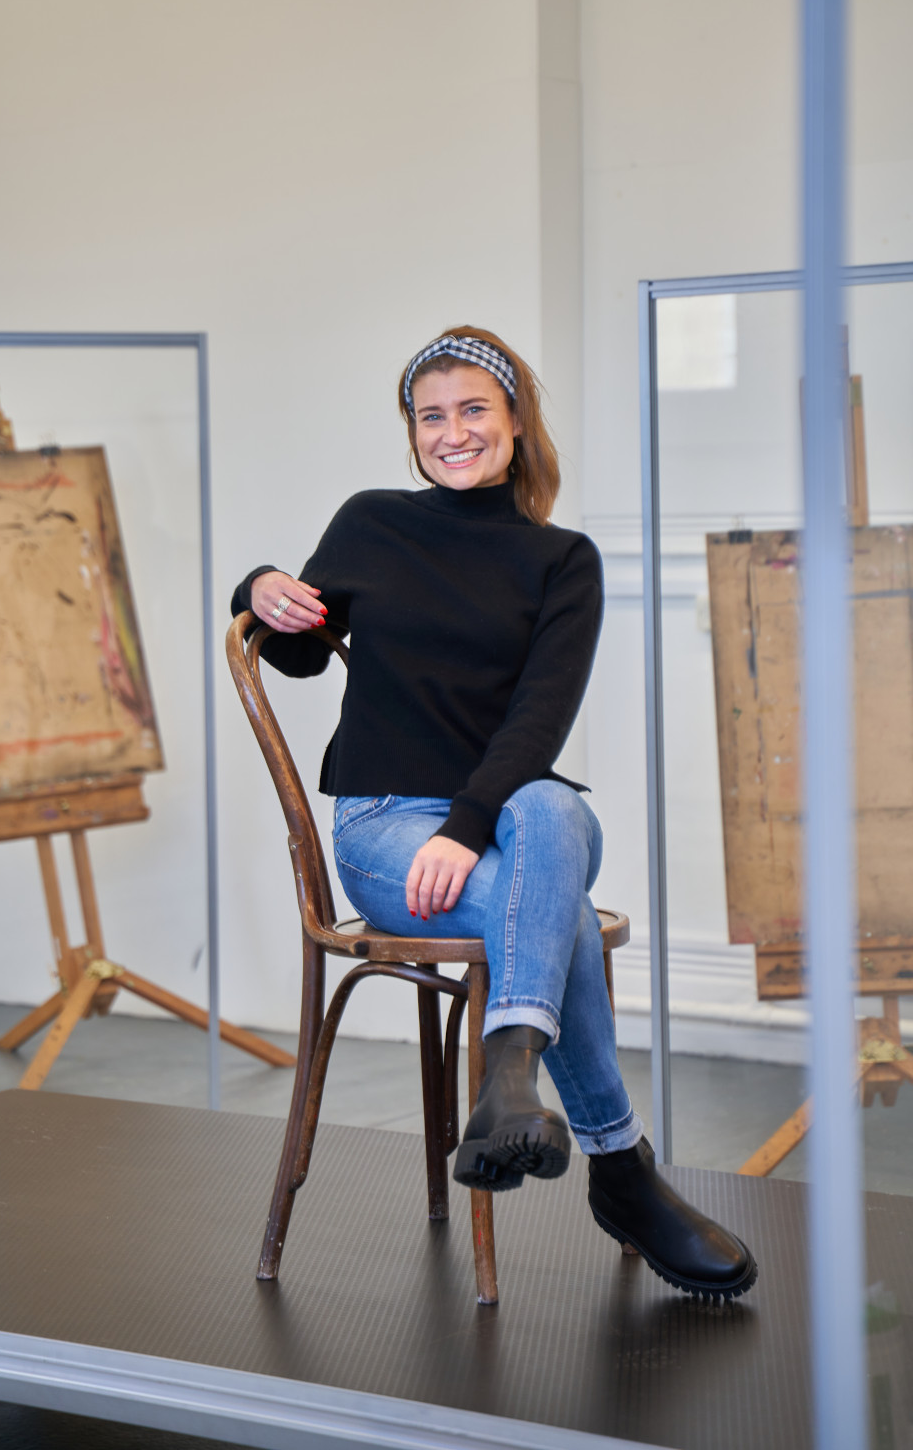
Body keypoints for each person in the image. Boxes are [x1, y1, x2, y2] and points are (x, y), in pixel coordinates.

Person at [232, 325, 757, 1302]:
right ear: (413, 434)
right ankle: (617, 1168)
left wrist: (467, 824)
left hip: (499, 823)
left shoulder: (562, 559)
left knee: (549, 806)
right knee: (547, 910)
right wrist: (260, 587)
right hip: (385, 827)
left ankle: (509, 1071)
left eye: (473, 408)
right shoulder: (369, 521)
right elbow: (296, 647)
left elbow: (538, 718)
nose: (451, 430)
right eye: (430, 415)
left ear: (516, 422)